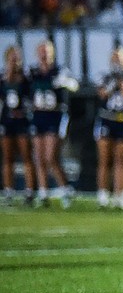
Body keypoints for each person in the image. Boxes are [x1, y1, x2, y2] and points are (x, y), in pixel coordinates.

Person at [28, 40, 78, 208]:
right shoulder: (33, 72)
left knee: (51, 157)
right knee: (39, 157)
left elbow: (74, 85)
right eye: (41, 51)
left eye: (47, 51)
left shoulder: (60, 70)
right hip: (38, 115)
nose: (44, 54)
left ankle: (65, 188)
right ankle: (43, 192)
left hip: (54, 116)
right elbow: (25, 90)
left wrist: (65, 83)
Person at [94, 47, 123, 209]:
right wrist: (114, 82)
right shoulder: (104, 76)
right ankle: (103, 193)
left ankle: (121, 192)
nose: (117, 62)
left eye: (120, 58)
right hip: (107, 119)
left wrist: (122, 81)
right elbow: (102, 94)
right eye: (115, 59)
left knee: (122, 159)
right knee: (105, 159)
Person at [1, 46, 33, 206]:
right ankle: (8, 190)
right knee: (7, 158)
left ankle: (29, 191)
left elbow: (31, 98)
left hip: (22, 121)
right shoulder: (3, 78)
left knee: (26, 155)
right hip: (7, 121)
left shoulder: (26, 78)